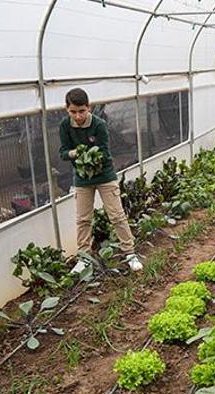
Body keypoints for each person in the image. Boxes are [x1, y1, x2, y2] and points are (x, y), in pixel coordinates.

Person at [58, 88, 142, 274]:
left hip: (105, 176)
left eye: (82, 111)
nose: (78, 116)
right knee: (83, 219)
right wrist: (74, 153)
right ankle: (84, 258)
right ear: (67, 109)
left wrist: (92, 158)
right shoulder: (65, 125)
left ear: (89, 107)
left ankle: (130, 253)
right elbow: (63, 152)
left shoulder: (99, 124)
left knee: (117, 215)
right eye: (73, 111)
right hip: (81, 179)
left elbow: (104, 151)